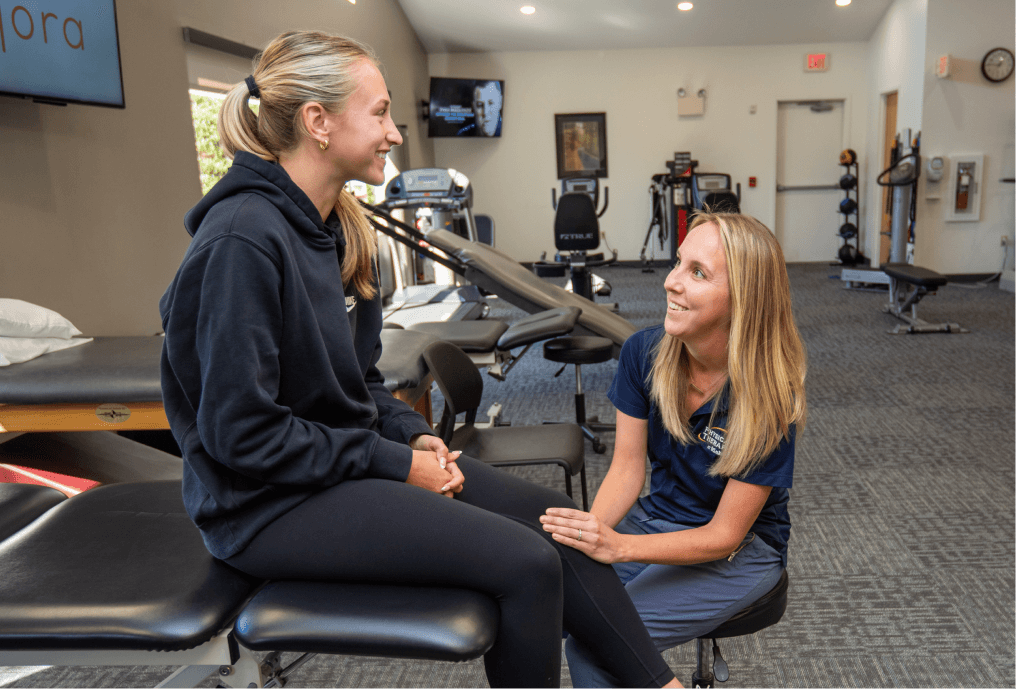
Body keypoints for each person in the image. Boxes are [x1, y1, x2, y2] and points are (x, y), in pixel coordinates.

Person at [159, 30, 677, 689]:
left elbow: (359, 383)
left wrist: (411, 433)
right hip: (264, 506)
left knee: (561, 525)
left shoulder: (334, 229)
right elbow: (244, 436)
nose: (395, 133)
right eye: (379, 113)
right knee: (526, 563)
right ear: (318, 122)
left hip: (331, 471)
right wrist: (397, 464)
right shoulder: (241, 241)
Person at [541, 212, 807, 688]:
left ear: (743, 299)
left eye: (697, 273)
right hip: (660, 516)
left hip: (742, 549)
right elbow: (626, 470)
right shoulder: (643, 354)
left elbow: (724, 535)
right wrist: (591, 537)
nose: (671, 282)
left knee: (595, 645)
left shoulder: (768, 396)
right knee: (547, 605)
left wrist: (619, 547)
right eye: (678, 262)